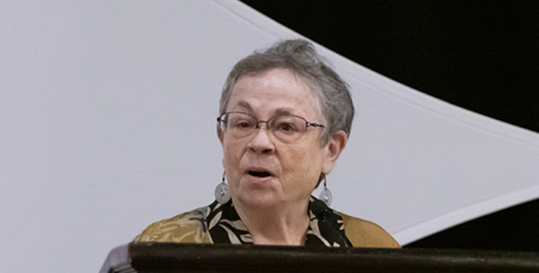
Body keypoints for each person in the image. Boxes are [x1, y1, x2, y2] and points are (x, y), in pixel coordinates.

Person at [134, 39, 399, 248]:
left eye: (286, 126)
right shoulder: (167, 246)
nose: (259, 143)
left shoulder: (370, 247)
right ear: (222, 137)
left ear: (331, 149)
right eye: (243, 123)